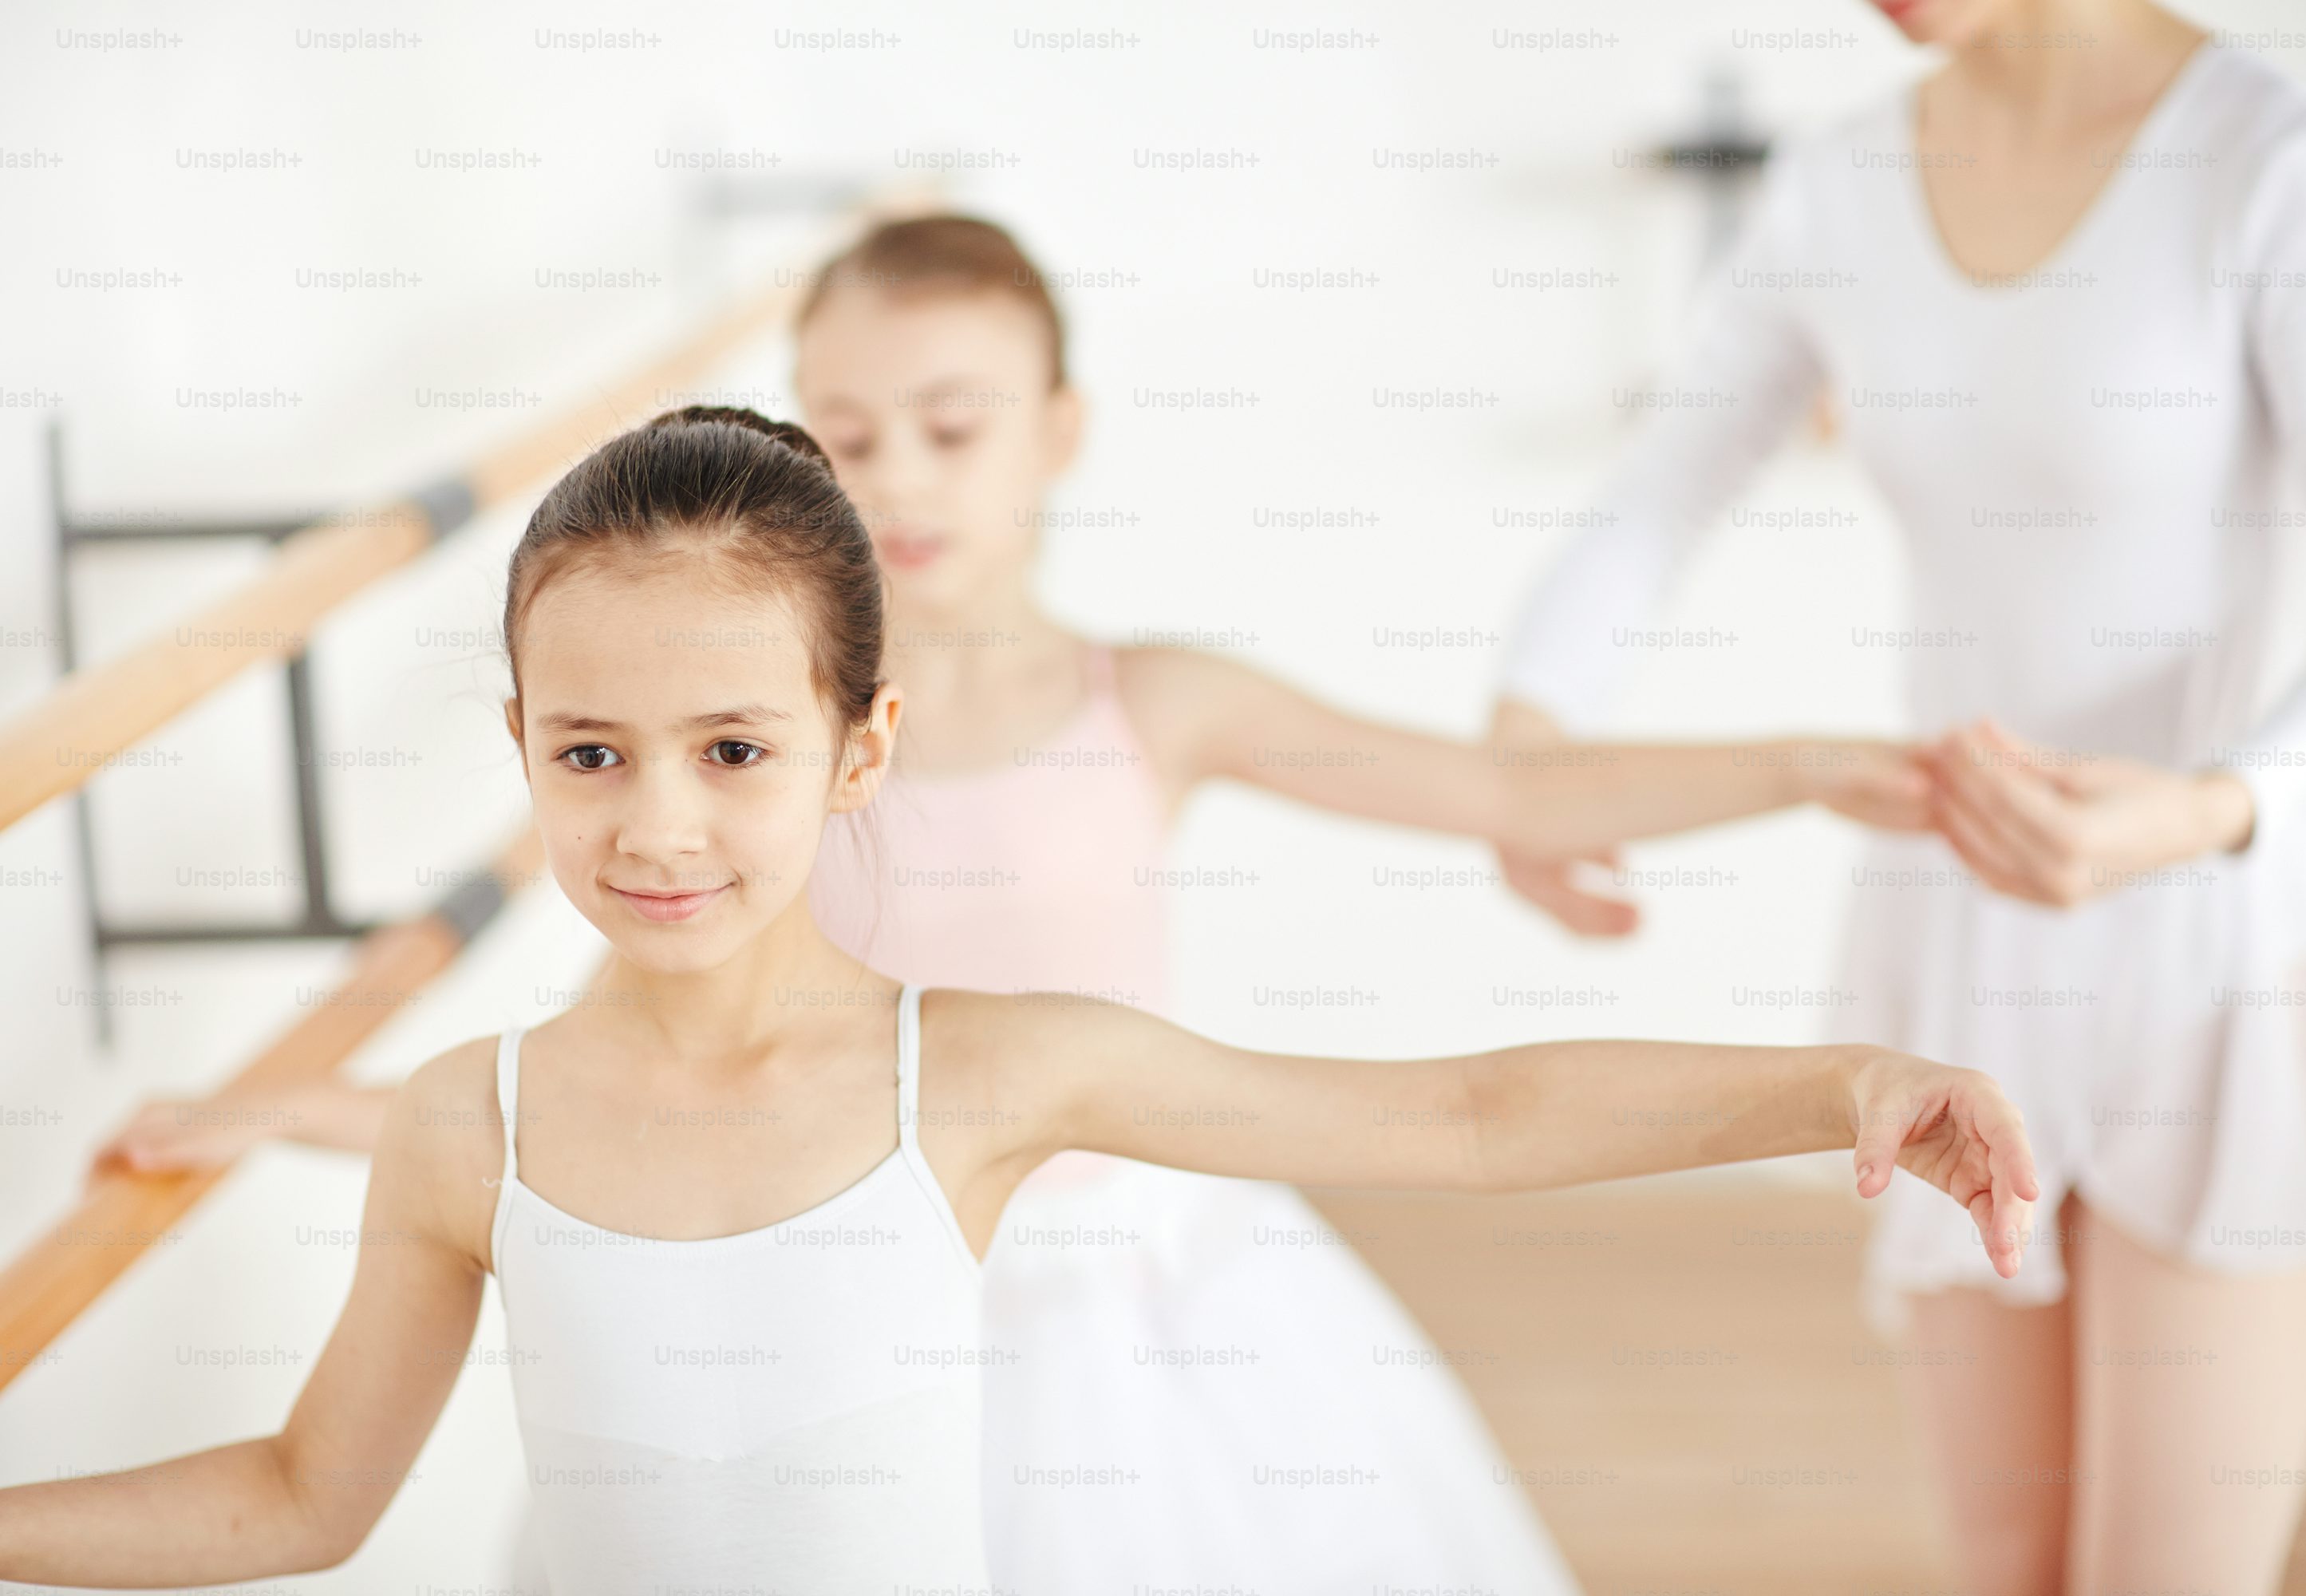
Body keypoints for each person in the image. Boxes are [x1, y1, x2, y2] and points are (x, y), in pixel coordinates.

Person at [95, 215, 1937, 1589]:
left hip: (1098, 1276)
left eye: (948, 426)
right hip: (828, 1277)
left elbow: (1472, 1052)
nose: (895, 473)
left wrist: (1816, 815)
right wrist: (290, 1109)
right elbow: (637, 1117)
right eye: (851, 429)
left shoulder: (1133, 737)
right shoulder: (655, 809)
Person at [1492, 3, 2306, 1591]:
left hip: (2232, 958)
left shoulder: (2282, 163)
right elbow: (1658, 495)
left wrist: (2202, 811)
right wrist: (1527, 749)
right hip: (1959, 949)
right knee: (2006, 1563)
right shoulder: (1841, 184)